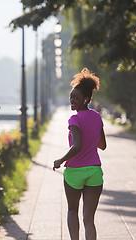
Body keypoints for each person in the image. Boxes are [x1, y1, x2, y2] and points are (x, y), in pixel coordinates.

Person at [53, 68, 107, 240]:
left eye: (75, 98)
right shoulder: (97, 117)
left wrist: (60, 160)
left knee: (72, 210)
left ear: (86, 99)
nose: (72, 100)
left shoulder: (74, 120)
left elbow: (77, 146)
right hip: (94, 171)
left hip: (74, 172)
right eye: (71, 97)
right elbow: (102, 145)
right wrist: (92, 134)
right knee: (89, 219)